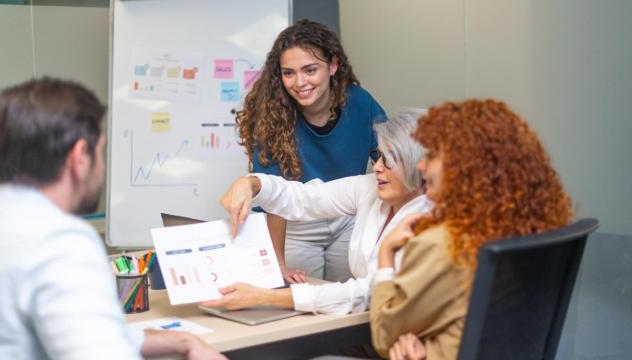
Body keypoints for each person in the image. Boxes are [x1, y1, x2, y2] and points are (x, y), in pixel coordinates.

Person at [0, 78, 225, 360]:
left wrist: (181, 340)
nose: (101, 167)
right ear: (80, 157)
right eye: (100, 152)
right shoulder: (60, 241)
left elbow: (76, 331)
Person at [369, 99, 573, 360]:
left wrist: (386, 253)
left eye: (431, 156)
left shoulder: (444, 244)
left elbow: (384, 335)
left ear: (465, 166)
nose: (421, 166)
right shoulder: (527, 231)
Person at [205, 109, 429, 316]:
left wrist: (267, 297)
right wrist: (251, 184)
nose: (378, 166)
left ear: (418, 165)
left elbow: (367, 293)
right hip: (372, 322)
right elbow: (305, 199)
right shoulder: (369, 188)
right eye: (379, 156)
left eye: (388, 160)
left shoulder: (429, 218)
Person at [236, 19, 386, 283]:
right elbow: (274, 197)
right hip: (296, 225)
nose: (299, 82)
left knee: (351, 302)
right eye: (289, 73)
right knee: (302, 299)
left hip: (348, 219)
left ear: (333, 65)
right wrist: (278, 264)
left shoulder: (361, 103)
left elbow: (390, 162)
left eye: (310, 70)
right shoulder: (271, 116)